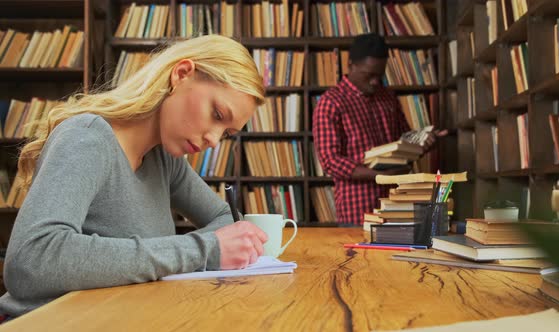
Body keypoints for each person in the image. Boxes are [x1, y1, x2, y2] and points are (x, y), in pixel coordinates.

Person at [0, 35, 268, 318]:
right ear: (181, 74)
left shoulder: (164, 158)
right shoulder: (87, 137)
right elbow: (32, 260)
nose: (214, 140)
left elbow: (225, 220)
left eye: (227, 133)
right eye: (216, 113)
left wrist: (203, 250)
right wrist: (200, 251)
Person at [313, 33, 442, 225]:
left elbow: (403, 140)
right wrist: (378, 176)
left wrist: (423, 141)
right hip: (357, 208)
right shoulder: (331, 102)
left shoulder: (388, 96)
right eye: (369, 75)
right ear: (350, 66)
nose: (375, 81)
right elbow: (330, 161)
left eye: (380, 75)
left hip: (396, 201)